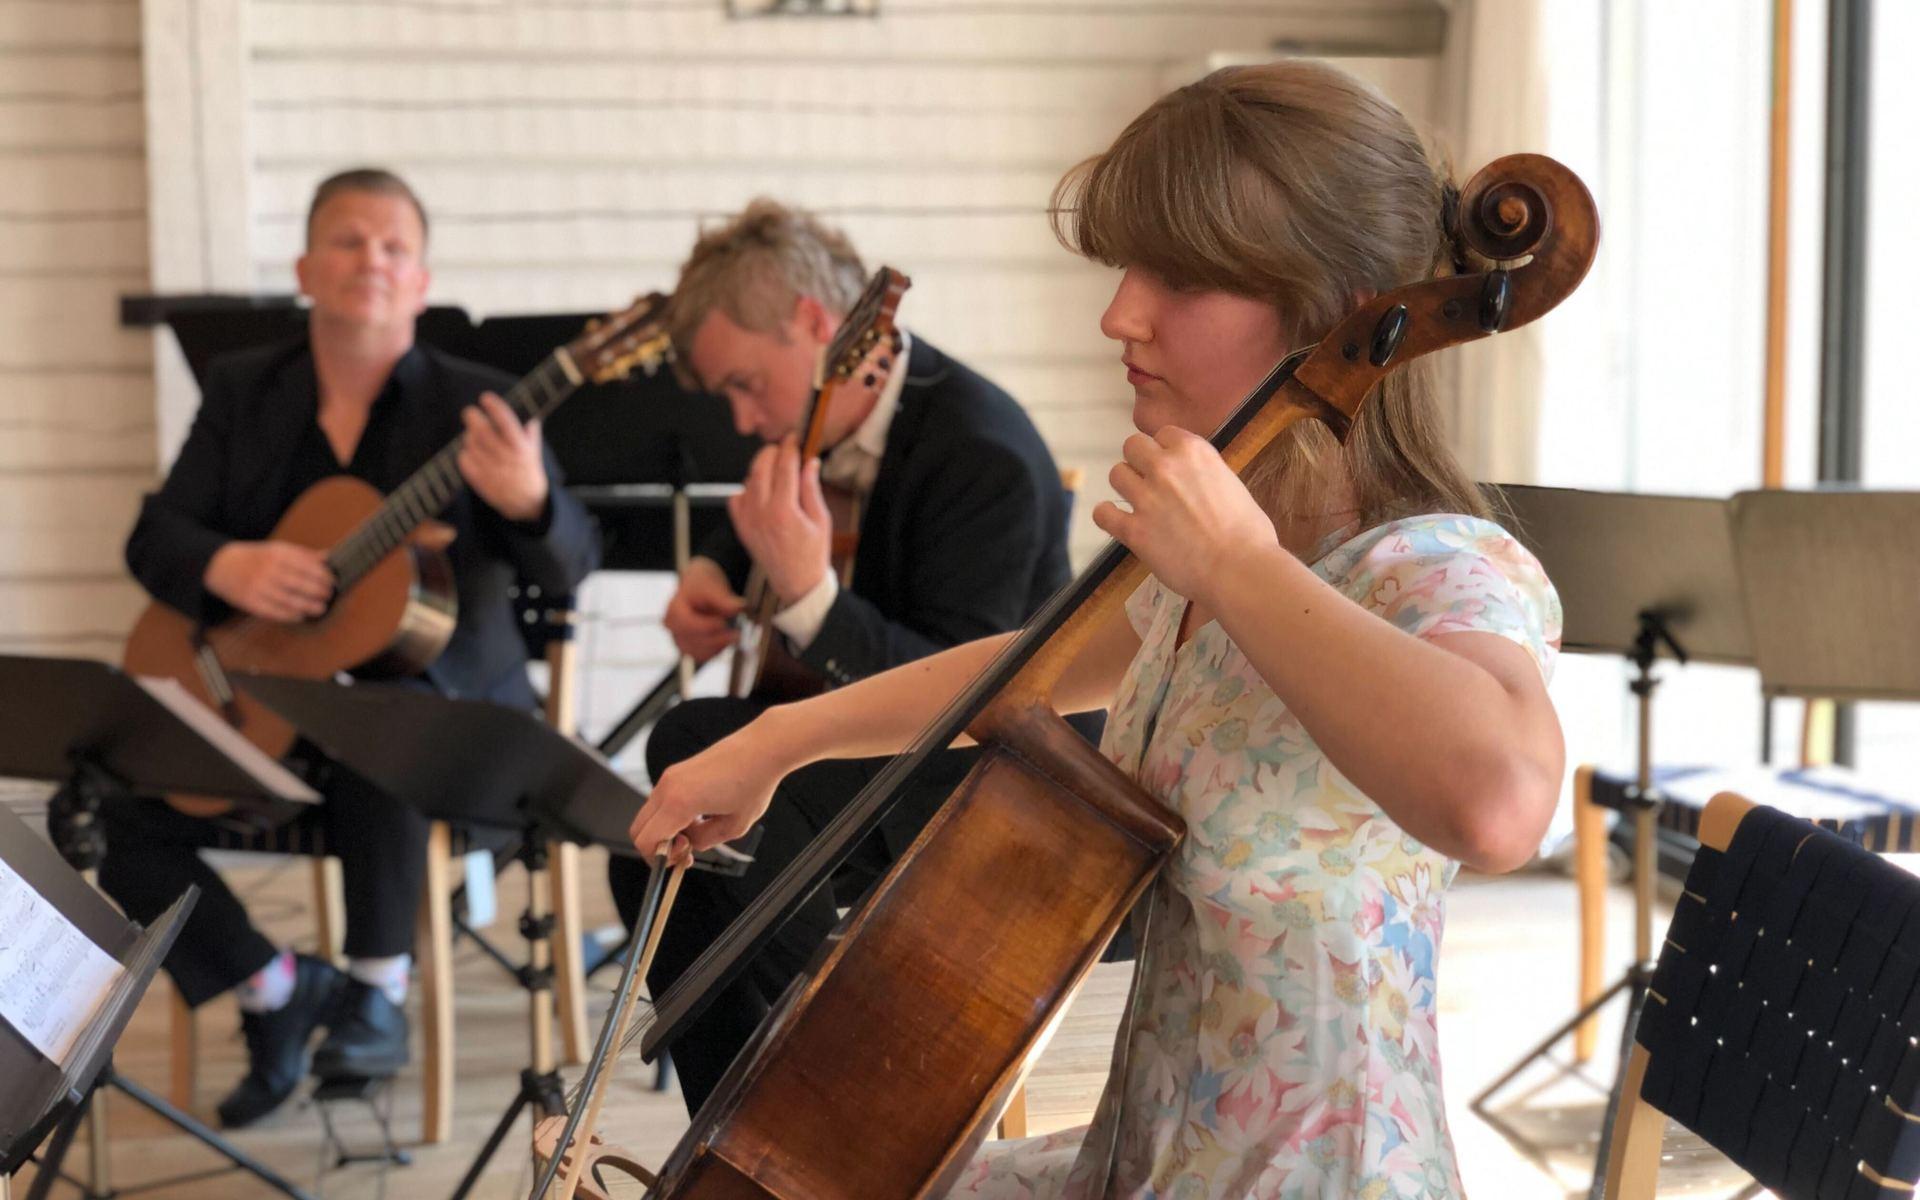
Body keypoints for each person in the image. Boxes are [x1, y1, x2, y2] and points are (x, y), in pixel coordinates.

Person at [630, 61, 1564, 1198]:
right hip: (1144, 1157)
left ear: (1329, 303)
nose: (1121, 313)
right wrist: (777, 743)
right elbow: (1029, 666)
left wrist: (1235, 565)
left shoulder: (1433, 567)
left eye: (1177, 277)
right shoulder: (1231, 548)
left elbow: (1501, 805)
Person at [104, 168, 599, 1128]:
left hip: (436, 734)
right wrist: (228, 567)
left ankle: (377, 987)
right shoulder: (247, 392)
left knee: (382, 719)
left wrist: (530, 502)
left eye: (394, 246)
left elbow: (572, 563)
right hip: (261, 711)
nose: (372, 258)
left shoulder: (485, 408)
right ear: (305, 269)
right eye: (347, 239)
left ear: (421, 280)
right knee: (116, 800)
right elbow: (152, 540)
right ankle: (277, 989)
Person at [607, 198, 1081, 1115]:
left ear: (817, 328)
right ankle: (742, 1130)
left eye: (746, 385)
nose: (746, 422)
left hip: (981, 775)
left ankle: (820, 1094)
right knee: (648, 860)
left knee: (694, 745)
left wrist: (812, 598)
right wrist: (714, 563)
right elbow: (756, 512)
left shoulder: (982, 455)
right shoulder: (818, 422)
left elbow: (967, 692)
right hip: (854, 754)